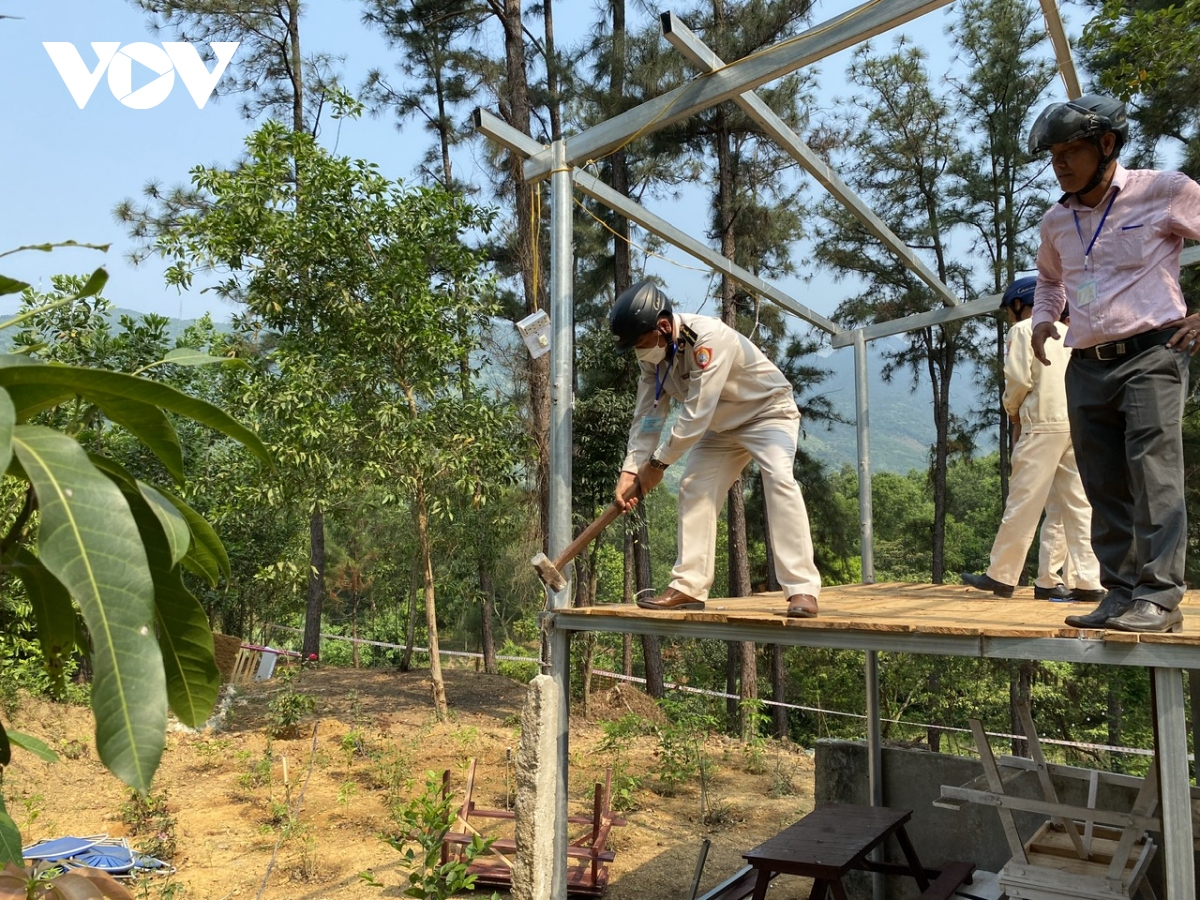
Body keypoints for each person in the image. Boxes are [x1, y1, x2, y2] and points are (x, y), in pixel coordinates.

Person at [1028, 93, 1200, 633]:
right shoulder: (1055, 222)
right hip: (1085, 363)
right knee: (1101, 481)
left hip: (1153, 353)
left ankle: (1159, 597)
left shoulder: (1164, 191)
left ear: (1107, 145)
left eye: (1071, 151)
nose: (1060, 164)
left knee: (1154, 475)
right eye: (1053, 154)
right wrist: (1041, 319)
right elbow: (1051, 281)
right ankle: (1119, 592)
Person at [608, 279, 821, 616]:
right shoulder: (653, 358)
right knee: (694, 486)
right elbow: (648, 417)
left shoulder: (708, 338)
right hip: (720, 427)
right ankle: (688, 587)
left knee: (779, 478)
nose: (638, 351)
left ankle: (802, 590)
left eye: (640, 342)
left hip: (767, 413)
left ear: (663, 326)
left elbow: (695, 413)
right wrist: (631, 469)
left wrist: (657, 465)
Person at [961, 277, 1103, 603]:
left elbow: (1018, 379)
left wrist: (1012, 409)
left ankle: (1001, 575)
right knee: (1075, 504)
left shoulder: (1024, 330)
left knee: (1023, 501)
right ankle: (1086, 581)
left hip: (1042, 423)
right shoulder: (1072, 332)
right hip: (1076, 424)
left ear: (1018, 304)